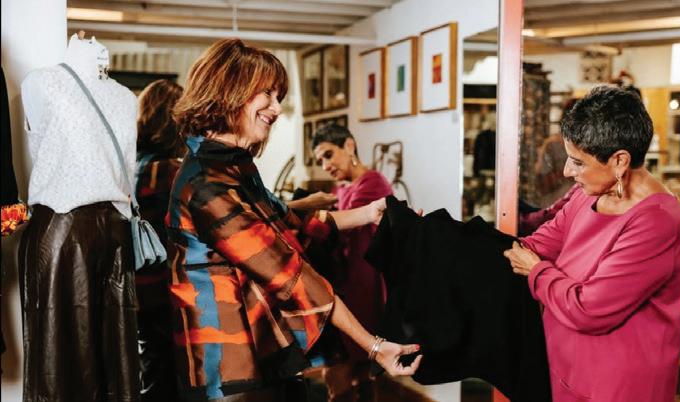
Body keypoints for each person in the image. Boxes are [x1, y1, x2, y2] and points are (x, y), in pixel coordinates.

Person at [167, 38, 420, 401]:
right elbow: (290, 273)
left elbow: (290, 221)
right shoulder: (206, 184)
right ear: (230, 90)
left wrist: (369, 212)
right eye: (267, 94)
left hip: (261, 351)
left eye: (278, 96)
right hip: (229, 365)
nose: (276, 107)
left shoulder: (232, 166)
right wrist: (374, 345)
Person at [505, 86, 680, 402]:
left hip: (619, 386)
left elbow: (589, 310)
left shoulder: (657, 221)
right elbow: (535, 245)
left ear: (619, 161)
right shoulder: (586, 194)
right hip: (565, 368)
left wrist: (536, 271)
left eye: (578, 162)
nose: (567, 171)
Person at [19, 34, 141, 400]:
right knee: (65, 357)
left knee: (108, 358)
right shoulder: (43, 82)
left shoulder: (124, 96)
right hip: (70, 227)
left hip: (104, 230)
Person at [311, 124, 393, 401]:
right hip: (347, 285)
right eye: (320, 161)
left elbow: (340, 230)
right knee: (356, 373)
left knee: (341, 375)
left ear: (348, 145)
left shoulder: (373, 183)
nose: (325, 166)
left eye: (328, 155)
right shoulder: (343, 189)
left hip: (365, 288)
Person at [133, 78, 185, 400]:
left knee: (151, 368)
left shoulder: (131, 165)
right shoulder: (171, 171)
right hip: (165, 287)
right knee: (169, 375)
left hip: (136, 286)